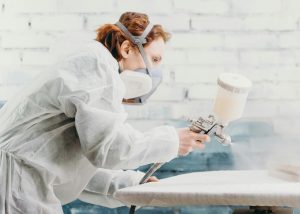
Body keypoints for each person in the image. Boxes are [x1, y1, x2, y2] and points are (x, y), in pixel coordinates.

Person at [0, 12, 210, 213]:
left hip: (20, 181)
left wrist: (132, 183)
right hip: (15, 184)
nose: (154, 73)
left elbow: (76, 166)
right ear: (127, 48)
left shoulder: (93, 66)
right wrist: (172, 141)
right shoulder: (97, 67)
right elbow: (110, 150)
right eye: (154, 60)